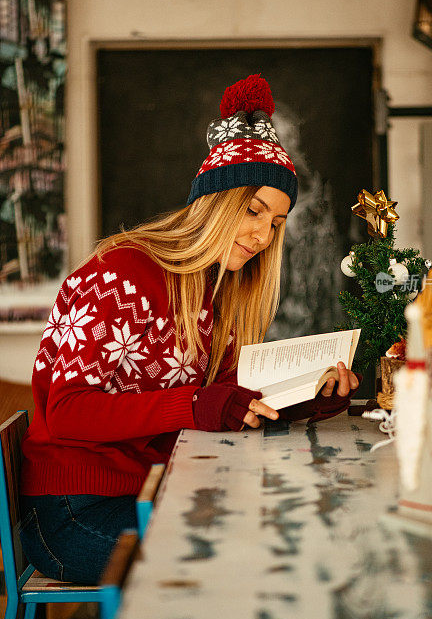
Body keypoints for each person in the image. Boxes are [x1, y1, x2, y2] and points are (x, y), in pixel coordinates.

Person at [19, 74, 360, 585]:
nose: (263, 236)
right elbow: (66, 412)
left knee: (284, 539)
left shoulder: (221, 291)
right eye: (253, 210)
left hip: (159, 488)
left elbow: (221, 402)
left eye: (277, 223)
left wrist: (305, 398)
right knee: (240, 566)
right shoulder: (119, 272)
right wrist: (196, 406)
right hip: (74, 511)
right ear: (216, 201)